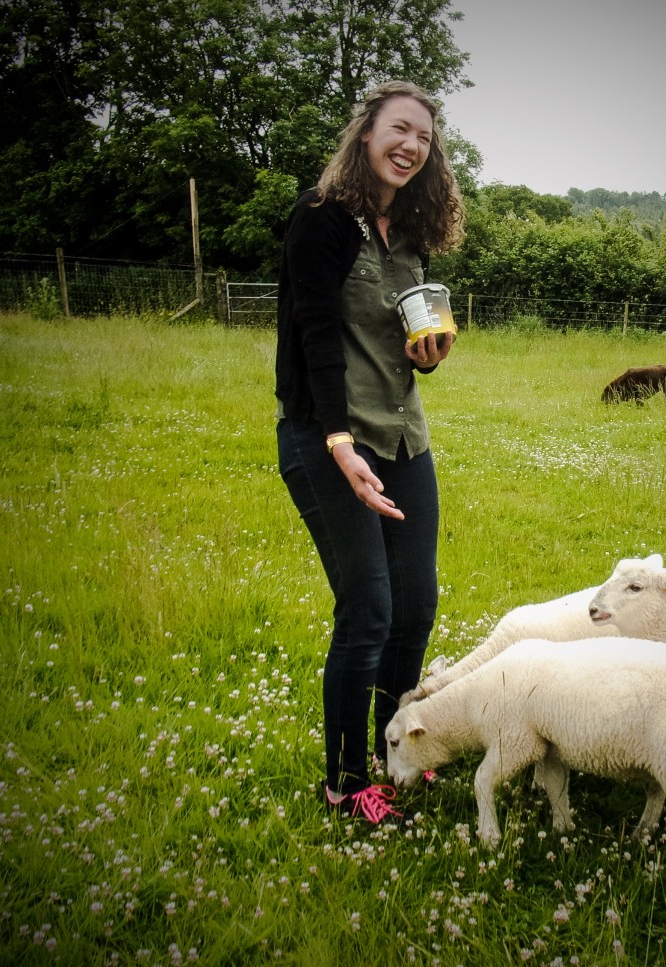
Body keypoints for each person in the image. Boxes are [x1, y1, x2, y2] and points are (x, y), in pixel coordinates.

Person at [275, 80, 465, 825]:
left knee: (416, 605)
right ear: (366, 134)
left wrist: (428, 356)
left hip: (403, 436)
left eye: (424, 136)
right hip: (328, 436)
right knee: (370, 610)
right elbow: (317, 335)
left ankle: (394, 754)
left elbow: (397, 342)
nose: (411, 145)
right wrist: (339, 441)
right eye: (399, 129)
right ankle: (347, 779)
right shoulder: (321, 219)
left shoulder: (409, 234)